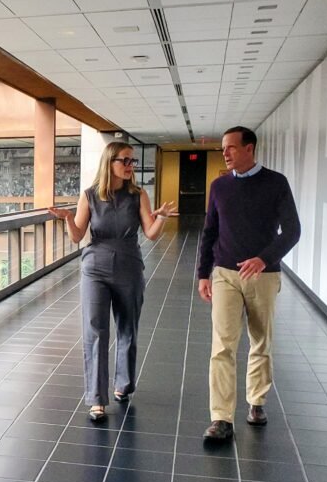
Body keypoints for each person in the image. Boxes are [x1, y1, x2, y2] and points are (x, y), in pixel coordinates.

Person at [49, 141, 177, 421]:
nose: (132, 166)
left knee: (127, 328)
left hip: (129, 266)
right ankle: (96, 399)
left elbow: (151, 233)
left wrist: (163, 218)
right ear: (111, 163)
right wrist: (69, 218)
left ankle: (123, 384)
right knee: (95, 331)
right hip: (95, 267)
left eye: (133, 162)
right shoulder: (90, 196)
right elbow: (76, 236)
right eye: (126, 161)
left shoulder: (138, 195)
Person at [197, 126, 301, 441]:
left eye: (230, 147)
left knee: (261, 341)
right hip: (225, 274)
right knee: (222, 346)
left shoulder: (276, 183)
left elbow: (292, 230)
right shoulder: (219, 187)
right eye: (223, 148)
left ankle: (256, 401)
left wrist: (264, 258)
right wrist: (204, 273)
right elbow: (209, 232)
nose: (225, 153)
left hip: (263, 276)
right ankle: (221, 418)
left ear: (249, 149)